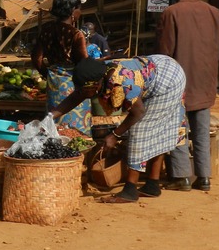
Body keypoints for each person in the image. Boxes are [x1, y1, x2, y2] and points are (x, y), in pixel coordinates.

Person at [50, 56, 188, 203]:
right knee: (156, 129)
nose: (81, 94)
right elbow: (75, 98)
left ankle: (130, 190)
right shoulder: (98, 78)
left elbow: (138, 112)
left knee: (139, 130)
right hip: (161, 68)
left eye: (83, 90)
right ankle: (152, 185)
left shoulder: (121, 82)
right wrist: (49, 117)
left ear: (96, 85)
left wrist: (114, 135)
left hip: (169, 79)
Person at [157, 0, 219, 192]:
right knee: (201, 131)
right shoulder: (212, 11)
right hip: (205, 80)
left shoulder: (171, 12)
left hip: (178, 83)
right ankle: (204, 177)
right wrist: (214, 49)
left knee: (177, 128)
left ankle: (181, 176)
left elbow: (165, 53)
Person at [30, 0, 90, 134]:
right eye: (79, 8)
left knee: (54, 121)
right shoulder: (76, 34)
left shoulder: (46, 30)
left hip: (54, 82)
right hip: (73, 84)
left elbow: (36, 58)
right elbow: (84, 63)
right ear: (73, 11)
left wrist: (48, 73)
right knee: (74, 127)